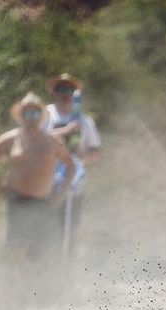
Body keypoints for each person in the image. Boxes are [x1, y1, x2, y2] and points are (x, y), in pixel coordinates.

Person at [0, 92, 75, 259]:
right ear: (22, 115)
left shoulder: (52, 141)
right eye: (28, 113)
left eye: (35, 113)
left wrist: (62, 194)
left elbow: (71, 166)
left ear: (41, 116)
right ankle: (15, 283)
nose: (31, 117)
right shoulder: (10, 138)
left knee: (43, 248)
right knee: (16, 247)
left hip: (44, 201)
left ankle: (39, 283)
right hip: (18, 201)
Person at [44, 73, 101, 247]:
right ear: (54, 92)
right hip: (45, 179)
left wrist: (80, 159)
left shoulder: (84, 121)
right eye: (61, 89)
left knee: (70, 227)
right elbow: (35, 139)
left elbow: (96, 153)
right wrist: (65, 131)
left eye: (69, 89)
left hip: (73, 181)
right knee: (45, 226)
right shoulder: (45, 116)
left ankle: (67, 266)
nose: (65, 93)